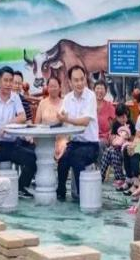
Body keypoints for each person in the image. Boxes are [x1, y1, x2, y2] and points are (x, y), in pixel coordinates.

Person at [0, 66, 36, 199]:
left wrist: (7, 125)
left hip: (11, 144)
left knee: (32, 158)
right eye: (5, 80)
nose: (8, 84)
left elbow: (22, 117)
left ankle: (20, 187)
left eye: (10, 80)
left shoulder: (15, 97)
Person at [56, 65, 99, 202]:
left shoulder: (91, 96)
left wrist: (67, 119)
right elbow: (61, 115)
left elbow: (85, 122)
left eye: (82, 79)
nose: (80, 83)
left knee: (76, 158)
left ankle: (83, 196)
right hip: (74, 143)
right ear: (70, 82)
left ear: (85, 78)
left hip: (90, 145)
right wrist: (60, 116)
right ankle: (60, 193)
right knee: (62, 161)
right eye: (76, 80)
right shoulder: (68, 98)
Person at [100, 103, 136, 187]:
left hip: (126, 149)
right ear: (116, 117)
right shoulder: (116, 124)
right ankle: (101, 175)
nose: (123, 119)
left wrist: (127, 137)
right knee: (109, 151)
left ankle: (120, 178)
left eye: (124, 117)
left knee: (112, 152)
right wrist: (115, 140)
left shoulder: (130, 123)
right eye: (120, 117)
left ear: (127, 114)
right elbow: (112, 137)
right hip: (116, 147)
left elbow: (134, 138)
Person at [35, 76, 67, 159]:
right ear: (47, 88)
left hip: (60, 139)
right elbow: (36, 124)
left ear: (60, 88)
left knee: (63, 147)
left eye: (55, 86)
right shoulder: (42, 103)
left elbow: (67, 125)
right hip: (44, 137)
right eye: (51, 86)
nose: (53, 89)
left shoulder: (64, 103)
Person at [95, 80, 116, 156]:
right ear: (94, 90)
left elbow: (114, 126)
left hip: (103, 138)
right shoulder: (89, 105)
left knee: (99, 144)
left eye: (102, 89)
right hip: (90, 136)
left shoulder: (109, 106)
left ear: (106, 92)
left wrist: (111, 135)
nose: (99, 91)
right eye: (97, 88)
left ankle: (101, 164)